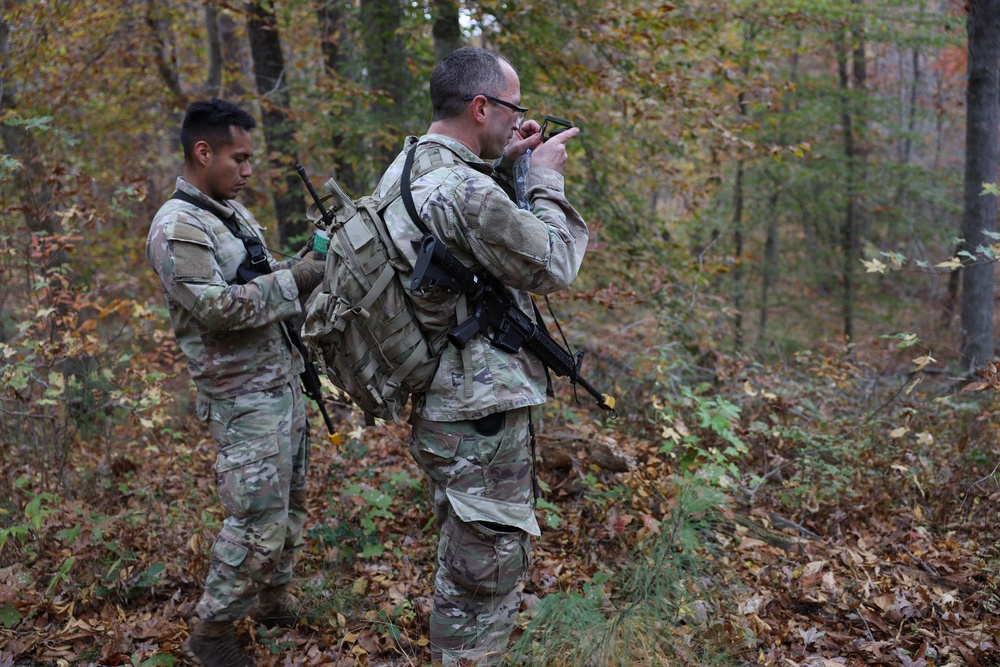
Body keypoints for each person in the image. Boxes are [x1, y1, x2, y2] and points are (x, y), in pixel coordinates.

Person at [375, 47, 589, 666]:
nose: (519, 120)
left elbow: (459, 238)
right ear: (480, 107)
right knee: (486, 580)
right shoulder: (461, 188)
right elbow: (554, 262)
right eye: (513, 108)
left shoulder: (408, 166)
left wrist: (510, 161)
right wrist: (546, 176)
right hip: (479, 412)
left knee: (466, 563)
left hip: (444, 399)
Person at [145, 98, 326, 667]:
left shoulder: (231, 213)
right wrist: (300, 279)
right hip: (242, 398)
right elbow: (217, 309)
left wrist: (310, 257)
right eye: (239, 158)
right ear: (204, 152)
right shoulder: (178, 227)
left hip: (280, 384)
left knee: (290, 507)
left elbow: (265, 279)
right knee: (255, 520)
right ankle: (212, 632)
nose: (248, 171)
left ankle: (272, 600)